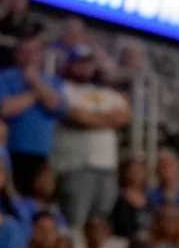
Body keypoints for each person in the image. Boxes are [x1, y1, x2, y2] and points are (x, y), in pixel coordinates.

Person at [53, 45, 130, 228]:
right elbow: (77, 116)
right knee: (75, 218)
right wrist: (106, 120)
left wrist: (92, 119)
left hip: (107, 166)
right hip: (76, 165)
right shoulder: (64, 88)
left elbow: (125, 116)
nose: (84, 68)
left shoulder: (106, 92)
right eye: (79, 63)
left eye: (88, 63)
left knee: (99, 221)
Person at [0, 31, 64, 196]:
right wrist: (37, 94)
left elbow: (56, 106)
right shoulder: (3, 78)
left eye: (34, 51)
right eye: (25, 51)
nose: (30, 57)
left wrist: (35, 83)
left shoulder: (53, 81)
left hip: (42, 154)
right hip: (11, 150)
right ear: (17, 54)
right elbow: (4, 109)